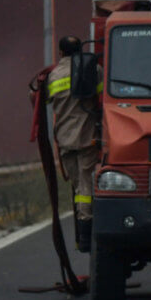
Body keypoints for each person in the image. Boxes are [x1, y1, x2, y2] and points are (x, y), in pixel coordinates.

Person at [47, 35, 102, 253]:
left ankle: (82, 235)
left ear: (61, 53)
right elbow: (102, 98)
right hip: (87, 137)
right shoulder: (94, 70)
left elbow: (43, 101)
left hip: (65, 140)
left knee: (78, 186)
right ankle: (86, 235)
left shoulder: (53, 76)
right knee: (86, 187)